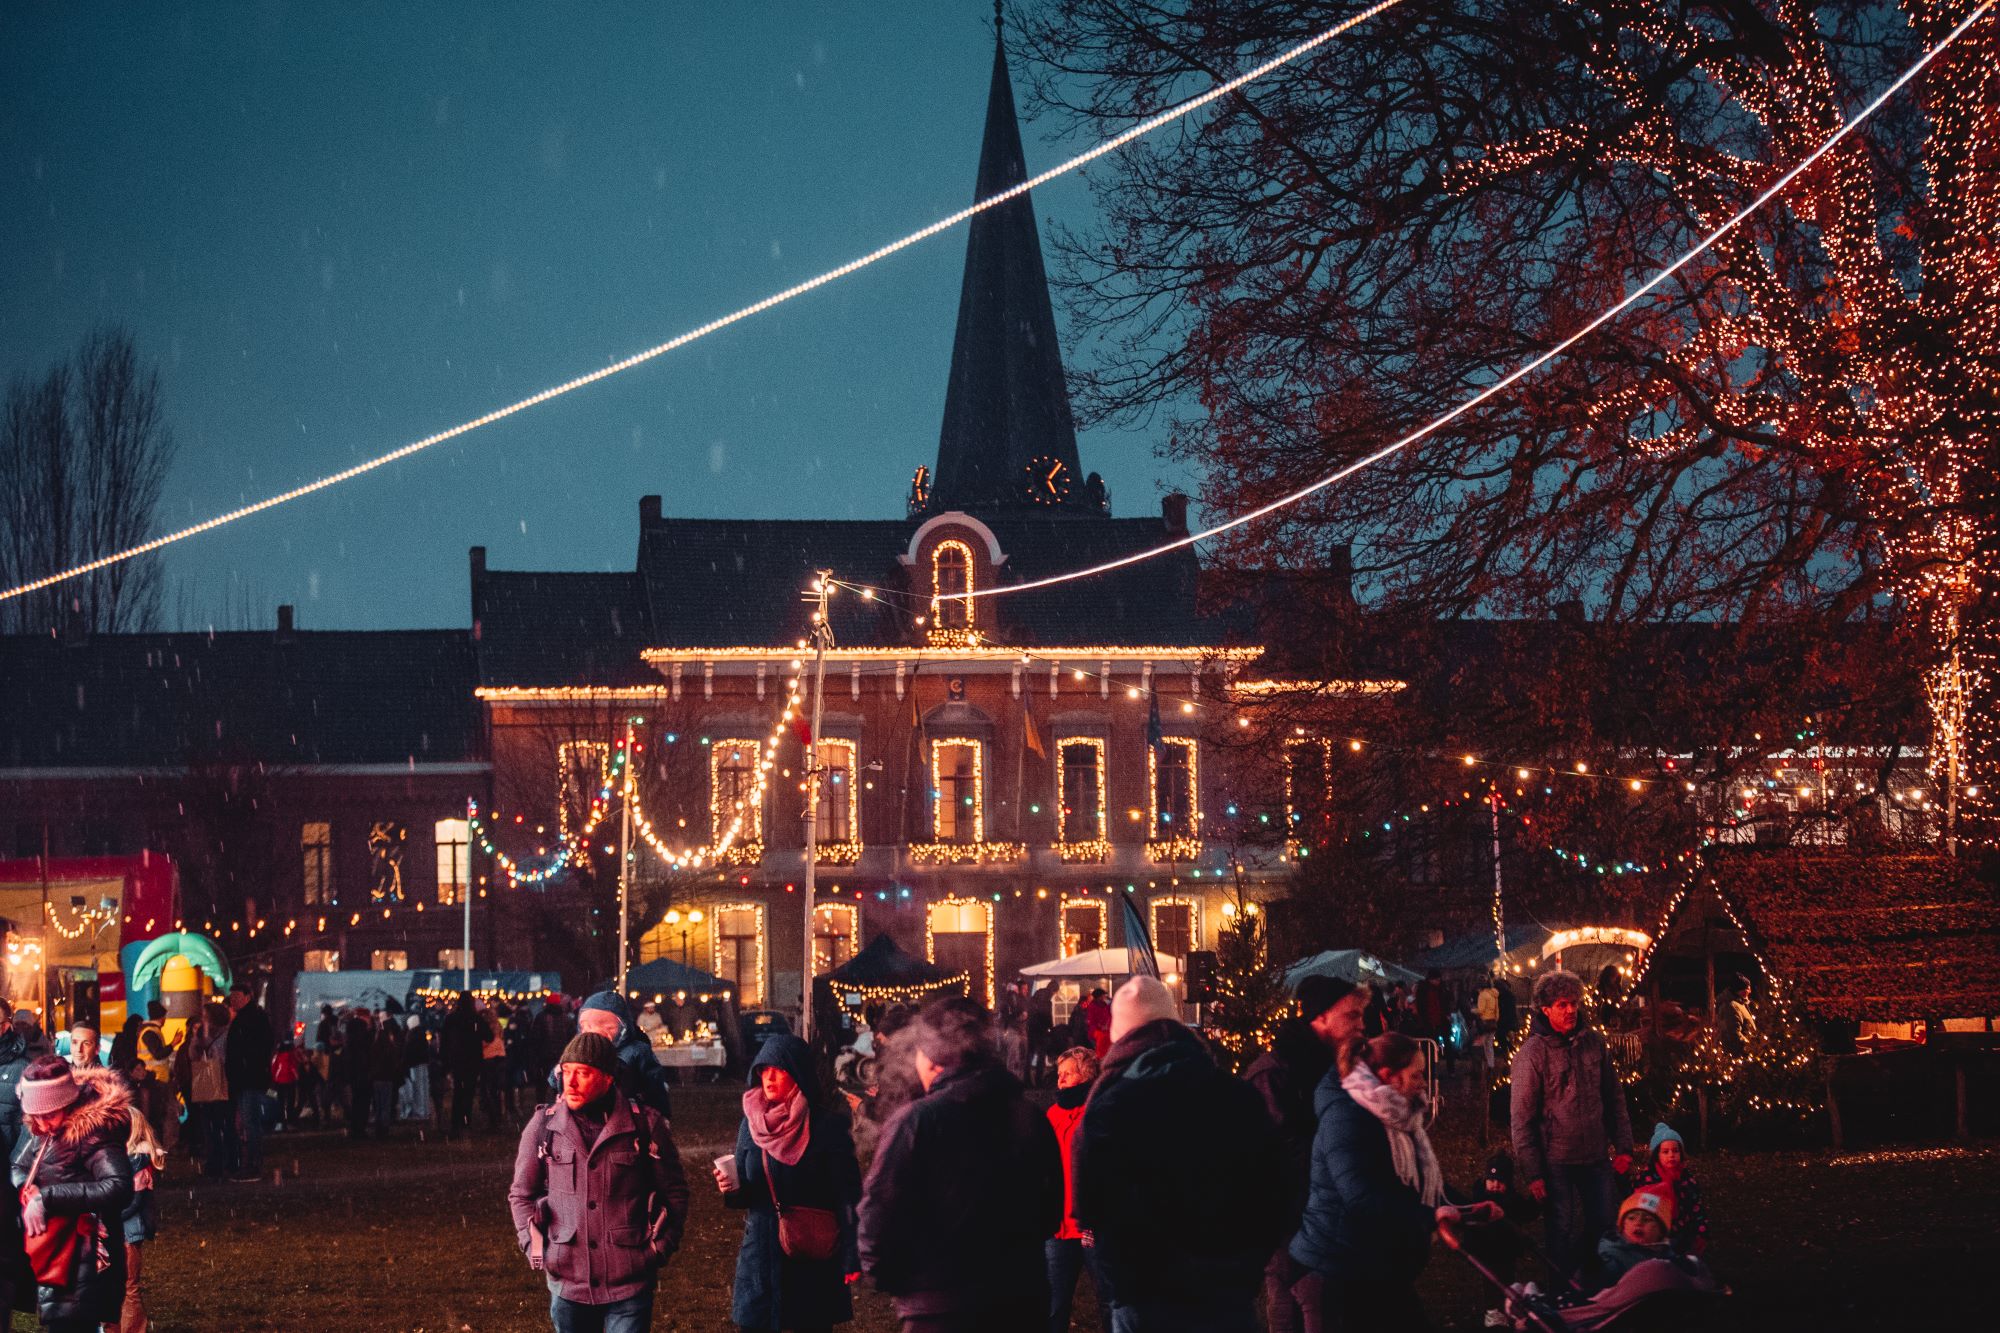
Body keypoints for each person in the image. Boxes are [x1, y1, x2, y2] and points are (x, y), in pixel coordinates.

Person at [1074, 976, 1285, 1333]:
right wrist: (1246, 1266)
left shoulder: (1110, 1106)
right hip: (1225, 1288)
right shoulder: (1235, 1097)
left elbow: (1090, 1204)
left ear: (1121, 1035)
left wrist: (1119, 1283)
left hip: (1146, 1294)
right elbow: (1273, 1188)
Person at [858, 996, 1062, 1332]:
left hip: (940, 1307)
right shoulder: (1029, 1115)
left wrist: (891, 1278)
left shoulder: (918, 1121)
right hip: (1020, 1300)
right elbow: (1050, 1210)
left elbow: (878, 1212)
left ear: (934, 1058)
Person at [1291, 1033, 1483, 1330]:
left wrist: (1468, 1208)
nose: (1422, 1082)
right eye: (1416, 1074)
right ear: (1388, 1076)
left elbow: (1421, 1182)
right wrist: (1429, 1216)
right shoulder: (1349, 1117)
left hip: (1376, 1265)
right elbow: (1361, 1195)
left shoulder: (1399, 1115)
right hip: (1340, 1267)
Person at [508, 1032, 689, 1333]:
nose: (572, 1082)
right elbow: (521, 1194)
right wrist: (535, 1247)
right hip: (568, 1281)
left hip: (628, 1280)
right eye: (567, 1072)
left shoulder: (644, 1125)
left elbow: (675, 1192)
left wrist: (659, 1248)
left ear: (607, 1079)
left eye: (583, 1073)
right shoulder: (544, 1126)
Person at [718, 1033, 863, 1333]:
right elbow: (747, 1189)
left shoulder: (826, 1126)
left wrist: (852, 1254)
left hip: (810, 1257)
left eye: (778, 1070)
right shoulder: (752, 1122)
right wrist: (731, 1188)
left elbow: (847, 1195)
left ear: (797, 1073)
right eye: (763, 1070)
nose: (768, 1078)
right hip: (761, 1256)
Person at [1246, 977, 1361, 1333]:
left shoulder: (1341, 1070)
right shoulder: (1276, 1074)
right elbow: (1279, 1151)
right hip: (1290, 1221)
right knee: (1295, 1307)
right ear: (1322, 1017)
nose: (1361, 1025)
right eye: (1352, 1015)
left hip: (1331, 1219)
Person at [1509, 969, 1635, 1286]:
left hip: (1594, 1154)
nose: (1570, 1010)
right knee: (1560, 1229)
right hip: (1556, 1159)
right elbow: (1522, 1118)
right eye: (1563, 1004)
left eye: (1574, 1003)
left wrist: (1623, 1147)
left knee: (1604, 1223)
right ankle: (1559, 1292)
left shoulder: (1594, 1044)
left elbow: (1613, 1096)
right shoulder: (1533, 1054)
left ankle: (1592, 1284)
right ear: (1546, 1009)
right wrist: (1533, 1172)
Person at [13, 1056, 136, 1333]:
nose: (43, 1125)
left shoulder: (94, 1132)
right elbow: (18, 1165)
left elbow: (118, 1185)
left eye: (50, 1116)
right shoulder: (42, 1129)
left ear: (66, 1103)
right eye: (37, 1117)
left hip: (85, 1256)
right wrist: (26, 1187)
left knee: (73, 1325)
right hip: (55, 1253)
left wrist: (48, 1198)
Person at [1043, 1046, 1109, 1333]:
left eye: (1068, 1074)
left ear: (1085, 1075)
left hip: (1091, 1227)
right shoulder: (1052, 1115)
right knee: (1054, 1303)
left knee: (1109, 1299)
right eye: (1059, 1074)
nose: (1061, 1080)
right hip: (1059, 1228)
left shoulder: (1099, 1112)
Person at [572, 991, 674, 1122]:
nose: (597, 1032)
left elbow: (655, 1084)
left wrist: (661, 1115)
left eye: (608, 1027)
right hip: (591, 1118)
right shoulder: (582, 1049)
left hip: (629, 1115)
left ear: (622, 1026)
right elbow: (560, 1076)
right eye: (588, 1026)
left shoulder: (636, 1050)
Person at [120, 1100, 166, 1333]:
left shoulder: (138, 1162)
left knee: (129, 1287)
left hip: (128, 1233)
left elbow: (135, 1202)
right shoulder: (124, 1160)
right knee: (114, 1287)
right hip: (120, 1231)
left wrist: (107, 1218)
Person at [1630, 1122, 1708, 1257]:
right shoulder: (1647, 1180)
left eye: (1675, 1151)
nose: (1671, 1155)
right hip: (1655, 1236)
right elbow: (1638, 1207)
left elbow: (1696, 1208)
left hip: (1682, 1234)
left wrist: (1701, 1232)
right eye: (1665, 1152)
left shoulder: (1687, 1180)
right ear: (1657, 1155)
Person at [223, 980, 274, 1179]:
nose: (233, 1001)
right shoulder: (247, 1018)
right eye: (232, 997)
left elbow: (258, 1047)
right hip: (247, 1077)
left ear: (247, 996)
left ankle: (253, 1162)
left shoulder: (251, 1018)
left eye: (236, 997)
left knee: (250, 1121)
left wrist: (246, 1065)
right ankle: (251, 1161)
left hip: (248, 1079)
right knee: (248, 1121)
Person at [187, 1003, 234, 1177]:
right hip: (209, 1083)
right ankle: (214, 1161)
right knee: (209, 1125)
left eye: (205, 1015)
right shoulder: (202, 1034)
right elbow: (192, 1055)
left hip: (221, 1083)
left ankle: (223, 1161)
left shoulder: (226, 1034)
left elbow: (224, 1056)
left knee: (221, 1124)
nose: (203, 1018)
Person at [441, 993, 485, 1136]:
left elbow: (444, 1041)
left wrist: (445, 1060)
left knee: (458, 1092)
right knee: (469, 1093)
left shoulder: (451, 1019)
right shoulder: (475, 1019)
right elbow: (488, 1035)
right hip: (472, 1060)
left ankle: (456, 1122)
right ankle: (466, 1121)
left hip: (457, 1061)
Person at [530, 995, 578, 1105]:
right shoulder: (566, 1018)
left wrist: (535, 1057)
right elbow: (573, 1038)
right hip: (562, 1058)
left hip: (544, 1058)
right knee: (559, 1085)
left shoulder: (541, 1017)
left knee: (542, 1086)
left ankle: (541, 1108)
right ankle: (560, 1107)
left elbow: (535, 1039)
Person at [369, 1013, 404, 1136]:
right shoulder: (391, 1048)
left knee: (378, 1103)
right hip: (387, 1078)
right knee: (386, 1103)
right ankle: (384, 1127)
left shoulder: (374, 1047)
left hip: (376, 1078)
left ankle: (378, 1126)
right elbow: (394, 1062)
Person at [401, 1015, 434, 1123]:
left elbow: (409, 1051)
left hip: (415, 1065)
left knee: (418, 1088)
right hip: (422, 1063)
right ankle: (424, 1110)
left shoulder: (412, 1035)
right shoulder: (421, 1034)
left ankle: (420, 1111)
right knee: (423, 1088)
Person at [1079, 988, 1111, 1060]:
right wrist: (1100, 1026)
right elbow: (1091, 1020)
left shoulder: (1105, 1005)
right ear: (1098, 997)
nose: (1104, 997)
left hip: (1106, 1031)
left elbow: (1109, 1016)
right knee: (1099, 1050)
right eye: (1103, 996)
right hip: (1096, 1032)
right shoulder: (1092, 1006)